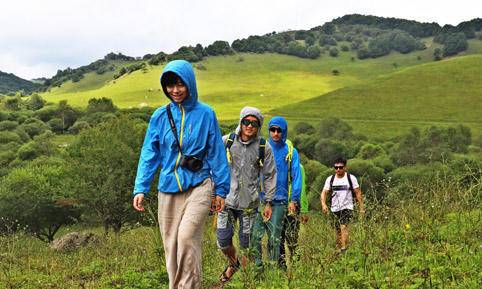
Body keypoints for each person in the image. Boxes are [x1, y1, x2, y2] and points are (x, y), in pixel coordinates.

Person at [132, 60, 230, 289]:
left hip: (200, 184)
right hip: (168, 188)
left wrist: (222, 189)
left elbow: (216, 152)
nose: (175, 90)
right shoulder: (159, 116)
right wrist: (141, 187)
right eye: (170, 86)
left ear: (190, 83)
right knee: (171, 245)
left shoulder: (206, 114)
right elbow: (149, 152)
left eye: (180, 84)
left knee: (186, 237)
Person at [217, 107, 277, 283]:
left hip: (249, 205)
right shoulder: (226, 141)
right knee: (223, 242)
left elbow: (270, 175)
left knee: (247, 246)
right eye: (246, 122)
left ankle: (247, 280)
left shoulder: (263, 147)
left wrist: (268, 202)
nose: (249, 126)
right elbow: (215, 167)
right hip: (226, 201)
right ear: (240, 122)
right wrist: (214, 194)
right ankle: (233, 263)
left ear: (259, 126)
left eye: (254, 123)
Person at [251, 116, 302, 269]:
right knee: (255, 237)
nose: (275, 133)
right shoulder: (261, 148)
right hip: (260, 200)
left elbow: (296, 176)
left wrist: (294, 199)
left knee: (275, 239)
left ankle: (274, 272)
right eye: (272, 129)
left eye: (279, 130)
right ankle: (258, 269)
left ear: (284, 131)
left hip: (280, 200)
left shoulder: (291, 151)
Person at [320, 157, 365, 252]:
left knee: (344, 227)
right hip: (334, 208)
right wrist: (323, 204)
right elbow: (324, 192)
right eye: (336, 168)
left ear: (345, 167)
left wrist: (361, 208)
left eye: (340, 167)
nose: (338, 170)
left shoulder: (350, 178)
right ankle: (340, 249)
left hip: (347, 207)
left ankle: (344, 249)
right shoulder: (330, 179)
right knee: (338, 231)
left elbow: (358, 193)